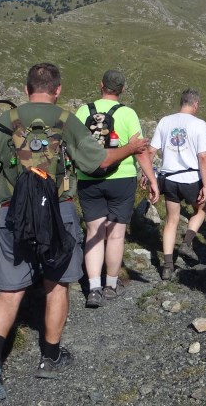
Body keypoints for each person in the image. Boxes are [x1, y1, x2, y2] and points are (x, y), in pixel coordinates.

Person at [0, 63, 149, 402]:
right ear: (58, 89)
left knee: (9, 291)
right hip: (58, 214)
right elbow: (99, 163)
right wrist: (131, 149)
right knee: (57, 285)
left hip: (11, 214)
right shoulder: (67, 120)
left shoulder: (7, 121)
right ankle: (50, 356)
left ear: (27, 87)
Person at [75, 70, 159, 308]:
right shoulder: (127, 113)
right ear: (122, 89)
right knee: (116, 234)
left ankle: (93, 289)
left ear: (100, 85)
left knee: (93, 232)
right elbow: (140, 150)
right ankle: (111, 285)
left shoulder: (83, 111)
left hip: (89, 177)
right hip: (122, 178)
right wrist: (151, 179)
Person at [149, 88, 206, 281]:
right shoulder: (199, 124)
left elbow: (151, 151)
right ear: (195, 105)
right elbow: (203, 156)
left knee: (171, 221)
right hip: (191, 178)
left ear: (181, 102)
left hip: (169, 179)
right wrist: (205, 185)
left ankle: (167, 267)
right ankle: (187, 242)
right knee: (200, 210)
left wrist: (148, 174)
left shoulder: (165, 121)